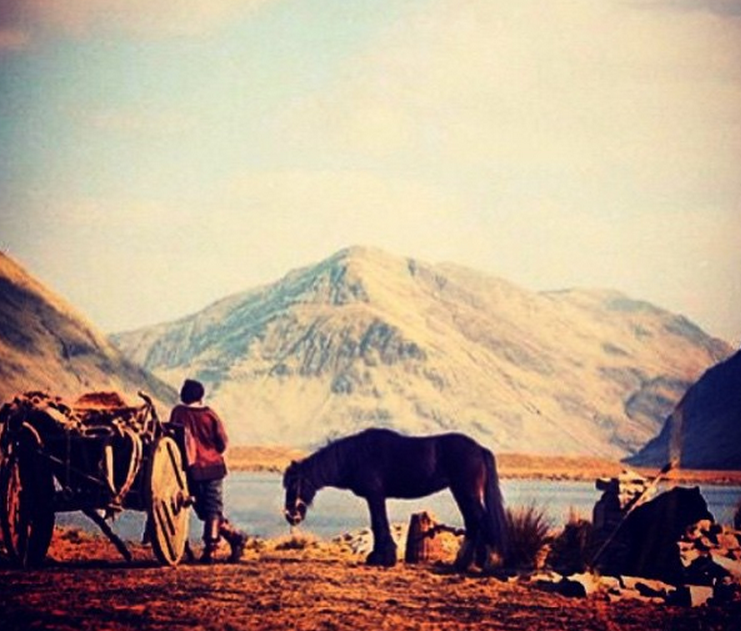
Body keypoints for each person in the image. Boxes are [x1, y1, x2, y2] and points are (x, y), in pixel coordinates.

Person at [169, 378, 247, 563]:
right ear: (201, 396)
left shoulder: (178, 413)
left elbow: (172, 437)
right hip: (214, 468)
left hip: (191, 470)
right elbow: (222, 442)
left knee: (206, 510)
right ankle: (236, 538)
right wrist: (211, 452)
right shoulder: (210, 415)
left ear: (183, 395)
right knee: (211, 510)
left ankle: (210, 551)